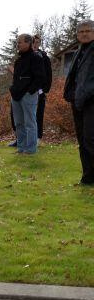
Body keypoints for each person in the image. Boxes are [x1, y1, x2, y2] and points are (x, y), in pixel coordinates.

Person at [63, 20, 94, 186]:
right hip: (77, 100)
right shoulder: (78, 51)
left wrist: (87, 93)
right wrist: (69, 93)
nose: (84, 34)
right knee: (82, 140)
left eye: (88, 30)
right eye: (81, 31)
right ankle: (87, 177)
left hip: (91, 100)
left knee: (90, 139)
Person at [9, 33, 44, 154]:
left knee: (30, 123)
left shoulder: (36, 58)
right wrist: (13, 89)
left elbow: (40, 78)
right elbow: (16, 78)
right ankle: (21, 148)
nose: (17, 44)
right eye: (17, 42)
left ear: (28, 43)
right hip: (16, 95)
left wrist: (30, 92)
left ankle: (30, 149)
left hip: (28, 95)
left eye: (20, 42)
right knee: (18, 123)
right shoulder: (18, 60)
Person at [32, 35, 54, 142]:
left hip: (39, 91)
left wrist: (44, 89)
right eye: (33, 42)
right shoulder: (25, 56)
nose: (35, 44)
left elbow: (49, 74)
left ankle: (37, 137)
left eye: (37, 42)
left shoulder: (44, 57)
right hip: (26, 91)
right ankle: (21, 138)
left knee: (39, 114)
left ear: (39, 43)